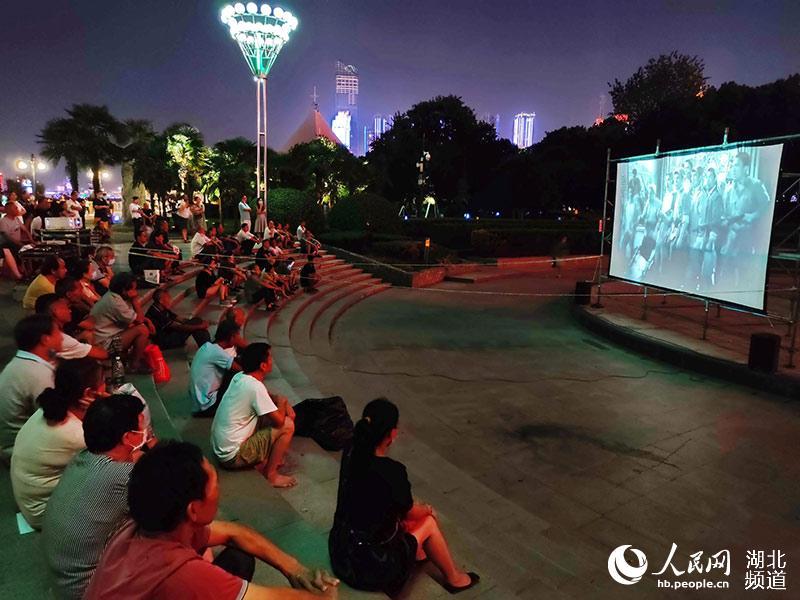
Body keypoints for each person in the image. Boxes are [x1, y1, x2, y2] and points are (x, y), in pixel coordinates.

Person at [84, 440, 338, 599]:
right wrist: (324, 594)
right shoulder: (182, 575)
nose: (220, 490)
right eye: (215, 483)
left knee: (238, 559)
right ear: (193, 510)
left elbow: (235, 533)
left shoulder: (144, 526)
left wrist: (294, 567)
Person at [330, 398, 479, 595]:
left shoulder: (351, 451)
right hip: (368, 567)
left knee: (400, 515)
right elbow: (410, 511)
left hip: (341, 550)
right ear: (392, 434)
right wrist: (427, 509)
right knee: (427, 521)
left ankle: (417, 552)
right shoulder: (392, 472)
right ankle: (455, 578)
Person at [43, 394, 149, 600]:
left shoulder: (84, 457)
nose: (145, 431)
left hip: (62, 584)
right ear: (128, 438)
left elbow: (137, 458)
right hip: (90, 591)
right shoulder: (123, 478)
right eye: (142, 427)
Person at [11, 359, 104, 530]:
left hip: (30, 502)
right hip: (44, 513)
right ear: (89, 393)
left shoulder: (49, 408)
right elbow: (117, 458)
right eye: (103, 382)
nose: (105, 387)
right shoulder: (75, 433)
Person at [211, 343, 297, 488]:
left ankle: (272, 456)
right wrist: (282, 402)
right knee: (288, 426)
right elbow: (280, 422)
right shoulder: (254, 387)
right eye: (270, 358)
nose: (272, 361)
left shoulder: (241, 376)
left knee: (270, 413)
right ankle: (271, 475)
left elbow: (266, 395)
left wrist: (279, 400)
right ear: (263, 366)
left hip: (221, 448)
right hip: (232, 457)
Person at [0, 315, 61, 464]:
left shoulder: (20, 363)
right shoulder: (37, 373)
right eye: (58, 332)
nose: (62, 337)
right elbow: (54, 418)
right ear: (45, 339)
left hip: (12, 441)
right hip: (22, 449)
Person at [90, 272, 154, 373]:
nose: (135, 292)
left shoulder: (112, 295)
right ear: (124, 290)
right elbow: (139, 319)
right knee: (142, 330)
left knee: (140, 326)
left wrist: (148, 320)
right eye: (133, 289)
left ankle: (130, 358)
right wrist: (134, 300)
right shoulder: (115, 302)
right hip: (104, 345)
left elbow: (136, 318)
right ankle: (134, 365)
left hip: (107, 337)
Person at [189, 320, 241, 417]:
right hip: (206, 406)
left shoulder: (208, 347)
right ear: (231, 336)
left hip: (198, 404)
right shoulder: (216, 352)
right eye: (237, 336)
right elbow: (240, 369)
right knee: (238, 376)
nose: (239, 339)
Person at [35, 294, 108, 360]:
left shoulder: (41, 329)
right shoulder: (61, 339)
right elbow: (103, 354)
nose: (70, 311)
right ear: (56, 311)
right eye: (66, 307)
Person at [146, 288, 211, 350]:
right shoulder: (156, 312)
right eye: (168, 298)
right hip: (165, 341)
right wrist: (200, 326)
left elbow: (181, 320)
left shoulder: (162, 308)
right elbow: (178, 327)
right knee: (197, 325)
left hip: (170, 334)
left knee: (197, 320)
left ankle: (207, 346)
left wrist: (199, 323)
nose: (171, 300)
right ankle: (208, 348)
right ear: (161, 301)